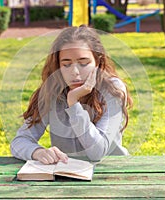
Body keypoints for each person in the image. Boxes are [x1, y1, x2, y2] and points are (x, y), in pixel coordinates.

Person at [10, 25, 133, 164]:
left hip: (113, 173)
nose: (75, 72)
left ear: (97, 62)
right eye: (66, 65)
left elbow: (97, 152)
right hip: (68, 174)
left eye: (83, 63)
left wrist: (73, 103)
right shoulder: (52, 91)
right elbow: (19, 141)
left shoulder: (112, 89)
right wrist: (37, 152)